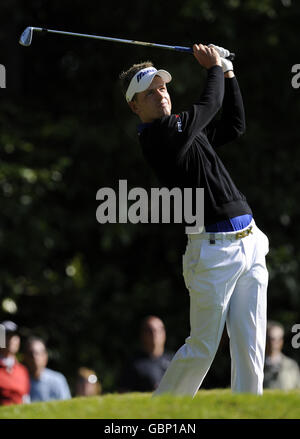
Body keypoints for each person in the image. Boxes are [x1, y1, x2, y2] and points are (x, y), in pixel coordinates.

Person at [119, 43, 269, 396]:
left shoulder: (184, 130)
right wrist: (214, 67)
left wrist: (228, 72)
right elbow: (210, 104)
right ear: (134, 105)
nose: (160, 95)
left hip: (250, 242)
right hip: (213, 253)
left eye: (162, 87)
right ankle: (158, 416)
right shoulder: (161, 138)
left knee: (251, 348)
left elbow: (234, 125)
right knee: (202, 348)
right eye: (149, 92)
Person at [118, 316, 173, 392]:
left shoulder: (174, 360)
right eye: (150, 330)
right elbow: (123, 393)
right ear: (142, 334)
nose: (154, 334)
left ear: (164, 334)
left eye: (159, 330)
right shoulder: (133, 364)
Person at [23, 336, 71, 402]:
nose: (34, 357)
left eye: (38, 353)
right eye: (31, 354)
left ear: (45, 356)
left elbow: (66, 405)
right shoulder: (21, 381)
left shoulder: (58, 380)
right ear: (25, 357)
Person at [0, 320, 30, 405]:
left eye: (14, 336)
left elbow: (25, 399)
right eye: (6, 336)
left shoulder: (22, 370)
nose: (11, 340)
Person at [264, 320, 300, 390]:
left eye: (279, 339)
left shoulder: (291, 365)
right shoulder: (257, 365)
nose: (275, 343)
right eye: (271, 339)